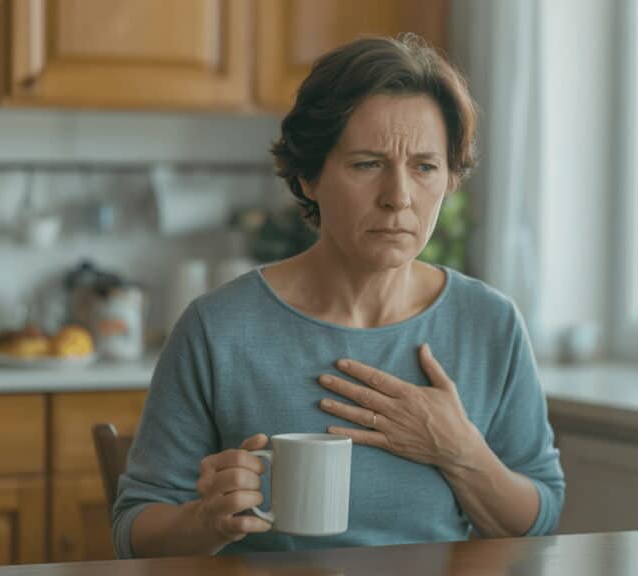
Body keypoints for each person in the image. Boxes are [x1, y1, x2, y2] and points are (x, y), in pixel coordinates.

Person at [112, 34, 565, 559]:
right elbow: (133, 530)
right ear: (308, 176)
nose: (398, 197)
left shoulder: (490, 323)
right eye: (367, 164)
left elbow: (540, 517)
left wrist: (460, 451)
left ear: (450, 179)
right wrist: (206, 520)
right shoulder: (218, 328)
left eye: (424, 166)